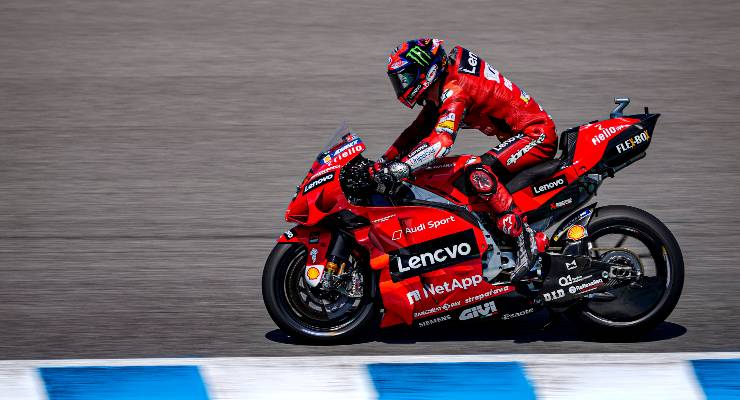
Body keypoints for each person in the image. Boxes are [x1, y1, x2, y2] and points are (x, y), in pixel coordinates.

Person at [371, 38, 555, 282]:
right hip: (518, 135)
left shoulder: (455, 89)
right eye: (398, 79)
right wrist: (383, 162)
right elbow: (417, 131)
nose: (401, 85)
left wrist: (403, 166)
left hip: (535, 134)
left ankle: (524, 238)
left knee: (475, 170)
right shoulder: (443, 83)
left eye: (405, 77)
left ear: (426, 69)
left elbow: (442, 141)